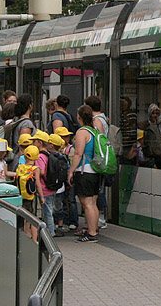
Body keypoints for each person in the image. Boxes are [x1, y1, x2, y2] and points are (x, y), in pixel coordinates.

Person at [67, 105, 101, 242]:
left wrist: (71, 171)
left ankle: (91, 233)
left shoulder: (82, 132)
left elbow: (78, 153)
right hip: (95, 170)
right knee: (93, 202)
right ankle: (94, 228)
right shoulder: (94, 131)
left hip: (84, 170)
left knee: (86, 203)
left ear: (79, 117)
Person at [85, 95, 109, 229]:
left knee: (97, 192)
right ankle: (98, 218)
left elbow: (98, 140)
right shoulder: (104, 118)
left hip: (97, 159)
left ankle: (99, 219)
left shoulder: (96, 121)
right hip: (101, 157)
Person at [17, 145, 43, 241]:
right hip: (32, 197)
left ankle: (26, 236)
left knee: (24, 218)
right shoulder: (35, 169)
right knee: (33, 218)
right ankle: (35, 240)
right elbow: (38, 183)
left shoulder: (20, 167)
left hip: (21, 196)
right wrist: (42, 197)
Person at [56, 126, 79, 231]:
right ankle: (63, 220)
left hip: (69, 177)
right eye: (64, 136)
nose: (67, 138)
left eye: (67, 136)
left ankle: (73, 221)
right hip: (60, 178)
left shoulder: (71, 149)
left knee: (71, 199)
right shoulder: (56, 149)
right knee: (62, 200)